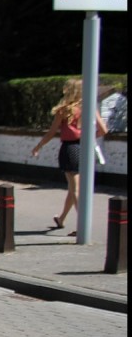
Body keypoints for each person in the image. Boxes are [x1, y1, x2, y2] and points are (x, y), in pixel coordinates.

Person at [32, 78, 108, 234]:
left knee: (75, 190)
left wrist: (38, 146)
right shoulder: (89, 107)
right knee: (75, 188)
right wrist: (89, 135)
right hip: (85, 148)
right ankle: (61, 219)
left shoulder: (65, 110)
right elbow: (103, 130)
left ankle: (83, 226)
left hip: (70, 149)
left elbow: (52, 132)